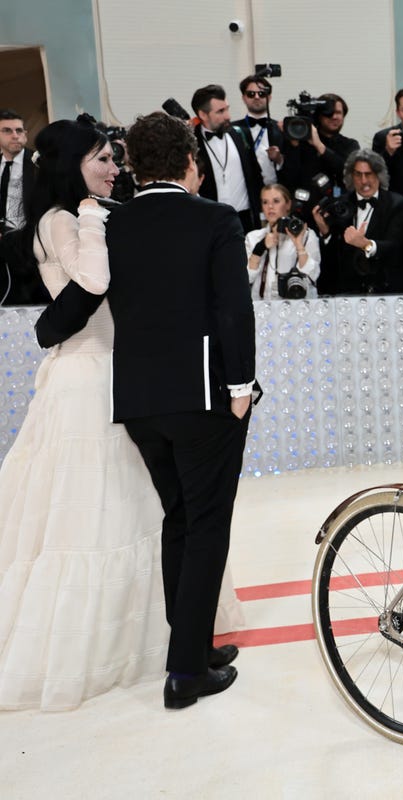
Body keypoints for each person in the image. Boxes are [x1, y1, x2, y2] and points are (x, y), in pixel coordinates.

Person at [0, 120, 169, 710]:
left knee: (126, 507)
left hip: (107, 369)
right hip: (86, 376)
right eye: (102, 158)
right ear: (74, 162)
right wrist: (97, 217)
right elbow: (91, 283)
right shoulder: (61, 220)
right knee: (89, 515)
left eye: (114, 159)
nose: (113, 167)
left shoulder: (80, 215)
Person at [106, 111, 256, 709]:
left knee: (179, 521)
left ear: (136, 165)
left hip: (139, 399)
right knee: (207, 526)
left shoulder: (115, 224)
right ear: (191, 162)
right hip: (204, 396)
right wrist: (241, 385)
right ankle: (187, 673)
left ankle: (191, 648)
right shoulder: (215, 219)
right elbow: (232, 309)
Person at [312, 149, 403, 295]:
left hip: (385, 290)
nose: (363, 181)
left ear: (379, 175)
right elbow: (334, 258)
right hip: (348, 292)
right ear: (351, 177)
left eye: (369, 174)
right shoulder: (340, 204)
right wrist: (325, 232)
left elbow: (395, 246)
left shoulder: (397, 204)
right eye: (358, 174)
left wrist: (366, 244)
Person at [191, 84, 264, 233]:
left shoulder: (241, 134)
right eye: (220, 111)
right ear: (203, 115)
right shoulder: (191, 142)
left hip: (245, 220)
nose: (228, 116)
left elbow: (256, 175)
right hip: (209, 221)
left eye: (227, 108)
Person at [277, 93, 358, 202]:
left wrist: (319, 145)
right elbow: (288, 179)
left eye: (338, 113)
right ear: (319, 116)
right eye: (329, 113)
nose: (334, 117)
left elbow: (347, 172)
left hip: (339, 208)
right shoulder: (301, 145)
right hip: (305, 209)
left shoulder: (350, 144)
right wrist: (294, 146)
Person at [245, 184, 320, 300]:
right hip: (263, 307)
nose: (270, 206)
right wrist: (261, 247)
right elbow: (247, 278)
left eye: (276, 201)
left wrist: (299, 245)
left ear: (288, 205)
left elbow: (313, 275)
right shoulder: (253, 237)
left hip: (299, 306)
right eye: (265, 202)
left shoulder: (307, 235)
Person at [0, 109, 44, 305]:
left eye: (19, 130)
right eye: (7, 130)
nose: (15, 135)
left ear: (26, 134)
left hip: (31, 245)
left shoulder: (39, 164)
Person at [232, 75, 283, 186]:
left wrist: (279, 159)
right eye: (251, 94)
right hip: (245, 193)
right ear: (244, 98)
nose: (256, 97)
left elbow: (293, 167)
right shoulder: (232, 130)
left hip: (276, 192)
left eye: (261, 94)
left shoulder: (281, 129)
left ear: (269, 97)